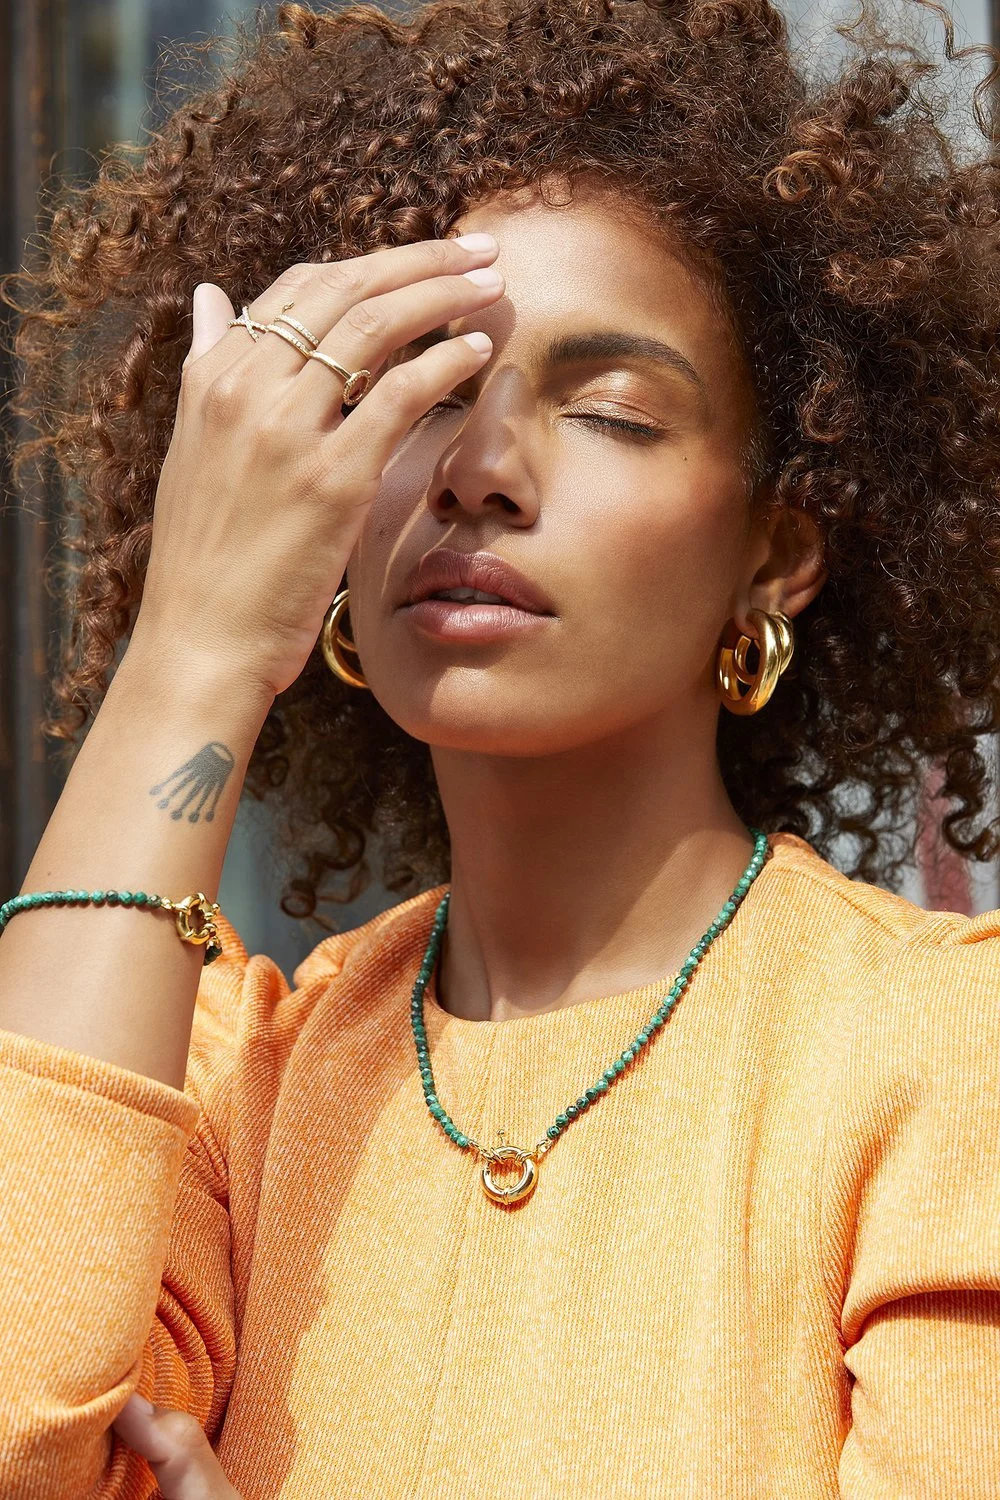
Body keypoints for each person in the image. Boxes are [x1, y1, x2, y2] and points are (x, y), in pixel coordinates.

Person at [1, 0, 999, 1494]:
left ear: (777, 552)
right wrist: (192, 651)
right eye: (424, 396)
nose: (480, 472)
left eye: (612, 412)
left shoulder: (942, 1054)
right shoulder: (229, 1086)